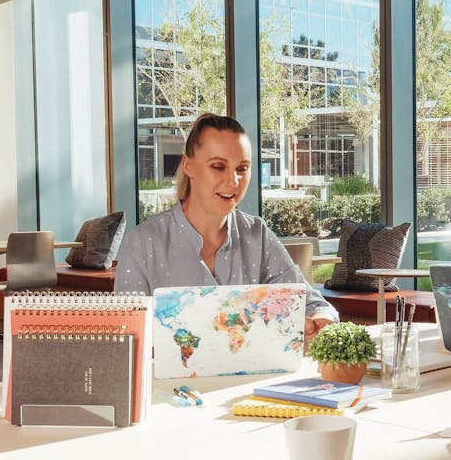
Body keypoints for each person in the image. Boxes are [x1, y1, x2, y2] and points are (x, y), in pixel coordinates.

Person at [116, 113, 338, 343]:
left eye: (242, 169)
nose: (233, 182)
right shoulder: (143, 242)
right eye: (218, 166)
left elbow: (311, 303)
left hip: (254, 378)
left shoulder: (257, 235)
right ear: (188, 165)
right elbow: (127, 344)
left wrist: (320, 318)